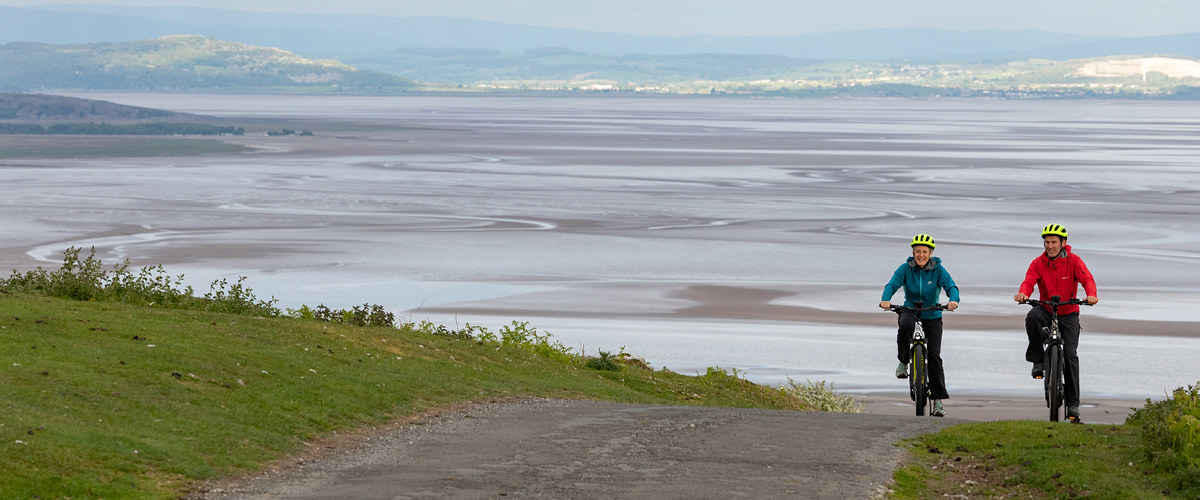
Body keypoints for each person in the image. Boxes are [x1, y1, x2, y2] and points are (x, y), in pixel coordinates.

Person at [1013, 223, 1098, 422]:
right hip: (1046, 308)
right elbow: (1029, 281)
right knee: (1032, 317)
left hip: (1069, 312)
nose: (1050, 246)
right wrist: (1023, 293)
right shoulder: (1038, 262)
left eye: (1053, 242)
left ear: (1063, 243)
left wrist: (1091, 295)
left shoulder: (1074, 261)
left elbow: (1087, 279)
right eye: (1047, 242)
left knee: (1070, 356)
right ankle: (1038, 360)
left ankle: (1073, 405)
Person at [880, 234, 960, 417]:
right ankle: (903, 361)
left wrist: (953, 300)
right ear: (913, 253)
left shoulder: (939, 270)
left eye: (925, 251)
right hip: (910, 309)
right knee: (905, 327)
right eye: (918, 251)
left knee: (934, 356)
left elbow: (951, 287)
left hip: (932, 312)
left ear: (930, 253)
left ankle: (938, 401)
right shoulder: (905, 268)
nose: (921, 255)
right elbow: (892, 284)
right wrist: (885, 299)